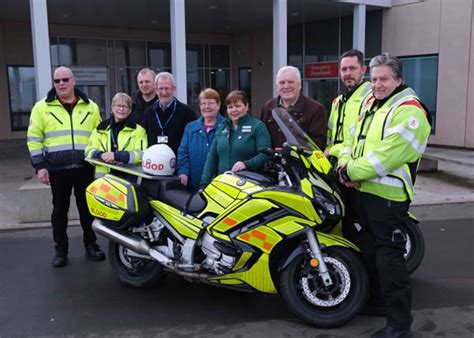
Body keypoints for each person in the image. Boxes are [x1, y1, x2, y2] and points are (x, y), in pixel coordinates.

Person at [337, 53, 431, 338]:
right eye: (374, 79)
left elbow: (387, 157)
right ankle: (378, 303)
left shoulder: (410, 110)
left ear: (398, 79)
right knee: (369, 252)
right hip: (363, 192)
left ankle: (399, 326)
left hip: (387, 199)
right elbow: (350, 139)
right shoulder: (370, 103)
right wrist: (344, 165)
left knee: (390, 260)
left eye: (384, 79)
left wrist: (350, 171)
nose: (377, 84)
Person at [27, 66, 105, 268]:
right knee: (59, 211)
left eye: (65, 79)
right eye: (57, 81)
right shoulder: (41, 108)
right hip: (57, 169)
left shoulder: (91, 107)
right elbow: (34, 139)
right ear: (54, 83)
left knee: (87, 210)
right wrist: (40, 167)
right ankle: (61, 250)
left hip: (85, 168)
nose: (61, 84)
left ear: (73, 81)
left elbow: (100, 137)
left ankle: (91, 245)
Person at [325, 50, 372, 247]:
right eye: (344, 69)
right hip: (339, 169)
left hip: (356, 173)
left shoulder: (370, 98)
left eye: (352, 68)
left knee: (359, 223)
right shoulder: (339, 101)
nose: (348, 73)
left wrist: (332, 151)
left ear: (363, 69)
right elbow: (331, 135)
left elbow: (361, 140)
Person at [200, 90, 271, 186]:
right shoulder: (222, 128)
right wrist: (204, 183)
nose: (234, 110)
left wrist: (247, 164)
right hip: (223, 184)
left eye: (238, 106)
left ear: (247, 107)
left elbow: (265, 154)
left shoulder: (257, 126)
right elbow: (212, 156)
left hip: (248, 185)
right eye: (230, 107)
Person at [261, 65, 327, 150]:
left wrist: (289, 152)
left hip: (301, 162)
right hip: (272, 161)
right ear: (277, 87)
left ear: (300, 85)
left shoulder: (316, 109)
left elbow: (319, 144)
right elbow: (262, 138)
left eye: (291, 82)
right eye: (282, 82)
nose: (286, 86)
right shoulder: (268, 107)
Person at [85, 93, 147, 177]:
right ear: (112, 108)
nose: (121, 109)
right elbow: (88, 151)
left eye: (125, 106)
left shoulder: (138, 130)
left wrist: (116, 156)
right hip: (103, 180)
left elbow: (141, 155)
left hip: (127, 179)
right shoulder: (100, 129)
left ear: (130, 110)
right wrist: (100, 155)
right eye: (118, 105)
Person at [176, 88, 225, 192]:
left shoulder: (227, 127)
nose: (206, 107)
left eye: (211, 103)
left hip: (218, 185)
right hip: (192, 184)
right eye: (203, 103)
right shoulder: (190, 127)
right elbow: (183, 152)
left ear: (218, 105)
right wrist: (183, 172)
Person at [142, 72, 196, 155]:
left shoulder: (187, 113)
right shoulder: (149, 113)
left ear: (174, 89)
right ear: (156, 90)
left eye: (167, 88)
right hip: (154, 164)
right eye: (161, 88)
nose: (164, 92)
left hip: (179, 164)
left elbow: (192, 142)